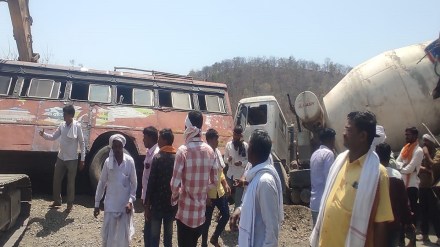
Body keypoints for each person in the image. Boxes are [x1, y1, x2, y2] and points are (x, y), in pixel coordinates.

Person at [310, 111, 394, 247]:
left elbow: (381, 223)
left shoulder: (378, 174)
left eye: (348, 129)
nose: (343, 133)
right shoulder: (339, 162)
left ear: (362, 136)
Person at [170, 110, 218, 247]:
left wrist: (176, 197)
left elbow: (174, 185)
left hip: (185, 214)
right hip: (200, 216)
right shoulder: (210, 151)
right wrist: (202, 189)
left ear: (187, 127)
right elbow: (214, 182)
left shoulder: (182, 151)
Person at [229, 129, 284, 247]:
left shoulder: (265, 182)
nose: (247, 149)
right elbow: (253, 202)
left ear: (253, 150)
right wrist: (240, 210)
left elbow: (271, 227)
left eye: (249, 146)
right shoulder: (255, 174)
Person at [39, 104, 85, 211]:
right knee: (56, 180)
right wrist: (44, 135)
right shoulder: (62, 125)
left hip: (72, 159)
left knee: (70, 182)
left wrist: (82, 159)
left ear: (70, 115)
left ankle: (70, 204)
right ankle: (57, 200)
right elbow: (54, 137)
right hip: (61, 157)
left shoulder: (77, 126)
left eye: (65, 114)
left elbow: (82, 143)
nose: (63, 116)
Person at [93, 134, 137, 247]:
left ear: (123, 147)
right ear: (112, 148)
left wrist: (130, 202)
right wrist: (97, 203)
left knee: (124, 237)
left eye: (119, 146)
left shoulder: (129, 161)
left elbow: (134, 183)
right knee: (108, 236)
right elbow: (102, 183)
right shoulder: (108, 162)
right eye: (115, 147)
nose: (117, 149)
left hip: (124, 206)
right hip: (111, 204)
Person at [376, 143, 415, 247]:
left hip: (374, 224)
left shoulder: (371, 174)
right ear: (389, 157)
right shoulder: (396, 175)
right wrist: (408, 221)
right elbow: (403, 201)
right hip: (392, 223)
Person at [144, 129, 177, 247]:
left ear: (165, 140)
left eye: (160, 138)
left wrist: (147, 205)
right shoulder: (177, 158)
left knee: (154, 237)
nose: (158, 140)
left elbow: (151, 184)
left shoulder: (157, 158)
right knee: (168, 238)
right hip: (170, 206)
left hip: (157, 206)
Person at [202, 128, 231, 247]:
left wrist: (225, 184)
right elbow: (202, 176)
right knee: (206, 221)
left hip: (220, 191)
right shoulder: (205, 154)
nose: (217, 140)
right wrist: (205, 195)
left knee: (226, 215)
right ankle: (204, 243)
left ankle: (214, 238)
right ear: (209, 140)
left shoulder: (218, 152)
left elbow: (220, 171)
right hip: (209, 193)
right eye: (216, 138)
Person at [396, 127, 423, 226]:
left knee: (412, 210)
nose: (406, 137)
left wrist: (400, 168)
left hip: (412, 185)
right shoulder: (405, 148)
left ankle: (413, 235)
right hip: (402, 183)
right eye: (406, 134)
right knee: (402, 210)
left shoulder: (418, 150)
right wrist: (403, 167)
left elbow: (410, 169)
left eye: (408, 135)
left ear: (415, 136)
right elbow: (397, 162)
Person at [309, 128, 336, 227]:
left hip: (314, 202)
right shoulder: (329, 154)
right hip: (324, 202)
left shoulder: (315, 154)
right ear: (330, 140)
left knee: (316, 235)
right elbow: (329, 178)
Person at [418, 134, 440, 245]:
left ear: (431, 142)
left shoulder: (437, 153)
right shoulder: (421, 154)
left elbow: (434, 165)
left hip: (432, 188)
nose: (424, 144)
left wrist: (426, 154)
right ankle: (425, 235)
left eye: (427, 141)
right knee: (423, 212)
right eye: (424, 141)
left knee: (435, 213)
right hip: (422, 186)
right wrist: (425, 169)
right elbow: (417, 166)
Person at [141, 126, 159, 247]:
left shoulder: (155, 155)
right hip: (147, 196)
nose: (143, 140)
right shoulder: (150, 152)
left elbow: (153, 182)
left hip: (151, 198)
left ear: (151, 138)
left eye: (145, 137)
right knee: (148, 230)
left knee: (151, 232)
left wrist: (148, 203)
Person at [224, 125, 248, 209]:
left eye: (238, 135)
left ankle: (236, 215)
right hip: (230, 174)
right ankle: (223, 212)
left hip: (240, 176)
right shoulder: (229, 145)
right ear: (233, 134)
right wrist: (228, 159)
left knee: (238, 197)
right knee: (227, 194)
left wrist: (241, 163)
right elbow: (225, 159)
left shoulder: (245, 146)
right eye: (235, 134)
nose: (236, 137)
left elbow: (248, 161)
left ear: (240, 135)